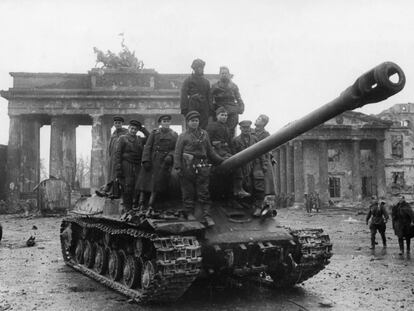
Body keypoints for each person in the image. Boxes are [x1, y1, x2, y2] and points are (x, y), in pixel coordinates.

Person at [174, 110, 224, 226]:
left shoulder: (204, 134)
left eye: (196, 121)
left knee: (204, 192)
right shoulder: (183, 136)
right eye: (192, 121)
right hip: (187, 166)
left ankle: (206, 215)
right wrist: (178, 167)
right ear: (188, 122)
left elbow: (210, 151)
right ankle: (189, 213)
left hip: (202, 166)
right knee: (188, 191)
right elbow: (177, 152)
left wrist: (220, 160)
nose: (194, 123)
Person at [206, 107, 250, 198]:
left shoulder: (227, 128)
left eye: (226, 115)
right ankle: (237, 189)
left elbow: (230, 143)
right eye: (222, 115)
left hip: (226, 151)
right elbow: (208, 142)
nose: (224, 117)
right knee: (234, 163)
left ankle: (238, 188)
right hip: (216, 152)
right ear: (217, 116)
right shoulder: (212, 126)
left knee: (237, 161)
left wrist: (235, 154)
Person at [138, 115, 178, 212]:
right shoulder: (154, 133)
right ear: (160, 123)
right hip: (152, 160)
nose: (166, 123)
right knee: (144, 183)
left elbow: (175, 148)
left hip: (163, 162)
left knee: (156, 185)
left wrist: (170, 156)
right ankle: (141, 203)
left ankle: (151, 205)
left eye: (168, 121)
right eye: (164, 121)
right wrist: (145, 160)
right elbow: (148, 146)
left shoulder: (174, 135)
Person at [232, 120, 267, 216]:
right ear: (240, 129)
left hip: (255, 163)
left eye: (247, 128)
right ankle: (248, 206)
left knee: (259, 185)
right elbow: (234, 155)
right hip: (243, 165)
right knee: (247, 185)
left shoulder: (255, 139)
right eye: (244, 128)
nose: (246, 130)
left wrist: (264, 163)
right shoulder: (236, 140)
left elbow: (261, 152)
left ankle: (258, 206)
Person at [114, 120, 148, 212]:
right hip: (126, 164)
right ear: (128, 128)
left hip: (137, 165)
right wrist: (118, 168)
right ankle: (127, 207)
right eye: (132, 128)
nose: (133, 131)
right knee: (127, 186)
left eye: (136, 129)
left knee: (138, 185)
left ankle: (135, 205)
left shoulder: (139, 139)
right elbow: (118, 154)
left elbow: (149, 138)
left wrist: (143, 129)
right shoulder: (122, 138)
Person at [96, 116, 128, 197]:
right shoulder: (113, 134)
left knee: (117, 175)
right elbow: (110, 147)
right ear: (114, 124)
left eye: (119, 123)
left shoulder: (125, 133)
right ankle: (108, 191)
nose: (117, 124)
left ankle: (111, 191)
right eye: (116, 123)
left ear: (122, 124)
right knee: (111, 175)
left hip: (121, 158)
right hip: (112, 158)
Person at [210, 66, 244, 137]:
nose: (224, 75)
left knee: (230, 130)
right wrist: (212, 108)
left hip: (231, 109)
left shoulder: (234, 86)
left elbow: (238, 98)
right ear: (220, 75)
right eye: (222, 73)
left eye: (225, 73)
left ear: (228, 74)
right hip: (219, 108)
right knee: (219, 130)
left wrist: (240, 108)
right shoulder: (215, 86)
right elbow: (210, 98)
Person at [180, 59, 211, 129]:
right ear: (194, 68)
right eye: (199, 67)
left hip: (204, 107)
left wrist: (210, 109)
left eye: (202, 67)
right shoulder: (188, 80)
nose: (201, 69)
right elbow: (184, 95)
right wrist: (184, 108)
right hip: (193, 105)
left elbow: (209, 96)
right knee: (192, 125)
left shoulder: (206, 82)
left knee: (203, 127)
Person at [252, 114, 275, 196]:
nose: (256, 120)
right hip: (251, 158)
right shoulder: (250, 132)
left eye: (259, 119)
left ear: (263, 123)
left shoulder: (266, 134)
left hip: (263, 159)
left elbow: (268, 148)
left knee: (266, 179)